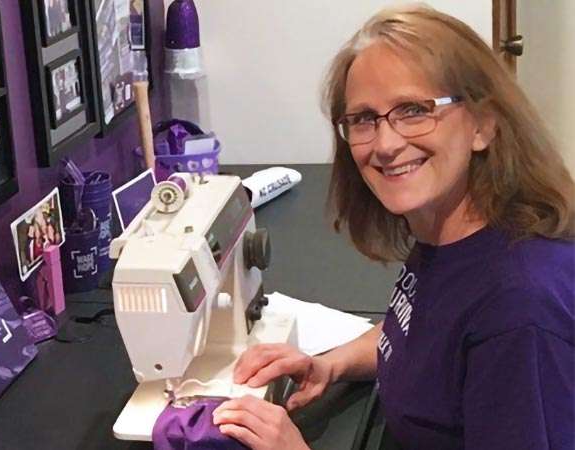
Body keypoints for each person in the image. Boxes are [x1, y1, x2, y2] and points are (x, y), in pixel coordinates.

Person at [212, 5, 575, 450]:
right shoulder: (451, 234)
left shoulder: (518, 310)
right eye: (364, 119)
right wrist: (331, 364)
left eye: (414, 110)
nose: (386, 143)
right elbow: (422, 336)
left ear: (483, 123)